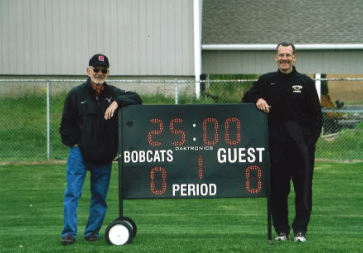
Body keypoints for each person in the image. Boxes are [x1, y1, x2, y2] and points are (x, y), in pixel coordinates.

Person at [242, 42, 322, 243]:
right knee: (278, 191)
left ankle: (300, 231)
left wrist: (310, 142)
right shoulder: (266, 81)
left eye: (288, 55)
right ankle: (282, 232)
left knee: (303, 190)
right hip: (276, 147)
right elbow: (247, 97)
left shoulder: (305, 82)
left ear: (294, 57)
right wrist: (257, 99)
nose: (284, 59)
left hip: (302, 148)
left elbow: (316, 116)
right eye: (281, 55)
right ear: (275, 58)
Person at [60, 54, 142, 245]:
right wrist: (74, 143)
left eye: (103, 70)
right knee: (72, 193)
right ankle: (68, 233)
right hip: (79, 154)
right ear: (88, 71)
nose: (99, 73)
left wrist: (117, 102)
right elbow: (66, 124)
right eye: (95, 69)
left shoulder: (113, 93)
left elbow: (137, 98)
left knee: (100, 196)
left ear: (108, 73)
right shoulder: (76, 94)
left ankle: (92, 232)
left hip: (104, 156)